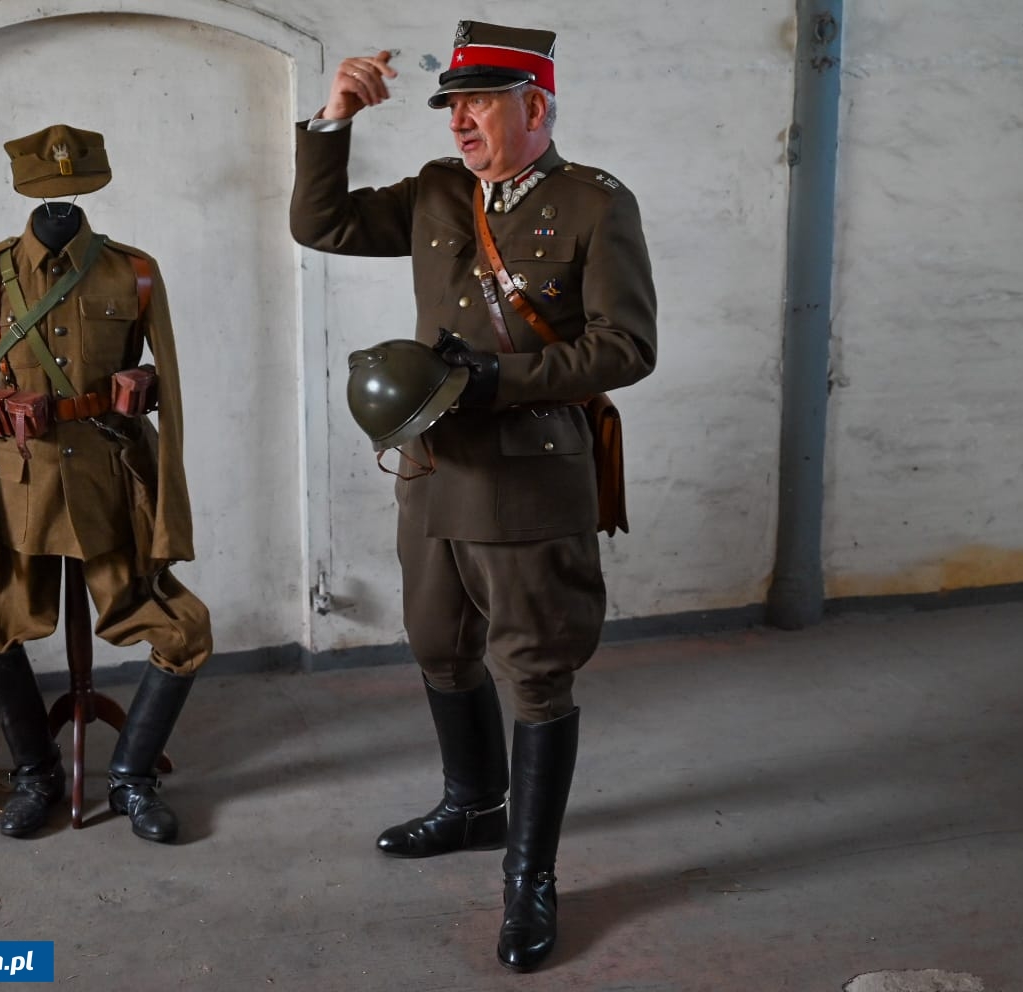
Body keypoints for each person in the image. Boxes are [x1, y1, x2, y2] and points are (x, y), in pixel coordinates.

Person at [290, 21, 657, 971]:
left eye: (480, 102)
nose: (460, 121)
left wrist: (498, 379)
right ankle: (471, 807)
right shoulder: (437, 191)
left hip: (527, 472)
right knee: (437, 644)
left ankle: (530, 877)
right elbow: (320, 226)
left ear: (536, 107)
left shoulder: (594, 203)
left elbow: (626, 347)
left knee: (533, 668)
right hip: (432, 468)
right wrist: (334, 118)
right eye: (452, 105)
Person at [0, 123, 212, 844]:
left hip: (111, 485)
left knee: (182, 630)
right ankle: (35, 773)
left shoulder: (134, 271)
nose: (61, 201)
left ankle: (132, 777)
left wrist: (170, 514)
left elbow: (172, 394)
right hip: (21, 492)